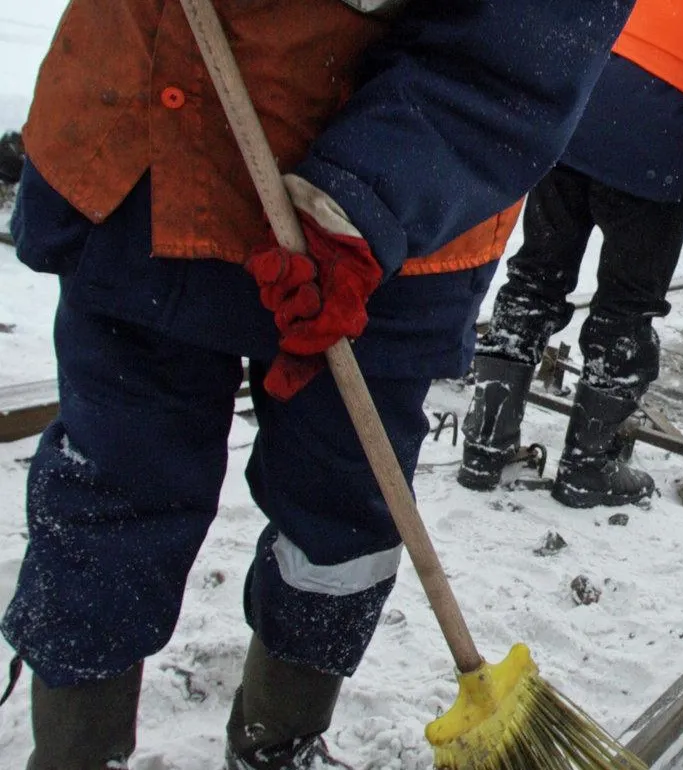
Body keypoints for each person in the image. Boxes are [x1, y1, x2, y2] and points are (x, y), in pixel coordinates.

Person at [0, 0, 634, 767]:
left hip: (394, 225)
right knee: (109, 496)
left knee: (344, 521)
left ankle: (279, 741)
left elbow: (528, 42)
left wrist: (369, 196)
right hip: (142, 145)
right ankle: (75, 754)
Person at [457, 0, 683, 509]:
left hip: (581, 96)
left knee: (534, 279)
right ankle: (587, 469)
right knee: (626, 310)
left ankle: (485, 448)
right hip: (663, 130)